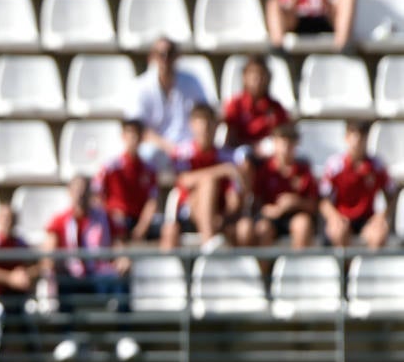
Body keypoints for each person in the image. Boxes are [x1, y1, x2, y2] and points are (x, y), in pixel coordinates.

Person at [41, 176, 136, 362]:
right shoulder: (60, 220)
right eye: (76, 190)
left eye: (84, 190)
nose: (80, 195)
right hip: (74, 278)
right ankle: (68, 338)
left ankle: (124, 336)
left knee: (121, 278)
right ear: (69, 192)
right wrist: (51, 261)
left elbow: (118, 245)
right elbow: (48, 252)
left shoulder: (104, 217)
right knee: (62, 281)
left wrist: (123, 258)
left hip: (99, 275)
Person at [160, 104, 242, 252]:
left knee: (243, 229)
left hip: (219, 214)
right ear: (192, 126)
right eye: (200, 126)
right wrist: (220, 171)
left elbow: (233, 197)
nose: (205, 131)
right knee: (208, 182)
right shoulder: (183, 153)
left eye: (209, 126)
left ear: (216, 126)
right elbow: (183, 180)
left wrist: (227, 211)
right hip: (188, 210)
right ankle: (208, 240)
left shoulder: (227, 156)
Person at [124, 37, 211, 172]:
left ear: (177, 56)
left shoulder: (192, 82)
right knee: (147, 154)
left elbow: (205, 113)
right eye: (160, 54)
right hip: (156, 148)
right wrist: (168, 147)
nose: (165, 58)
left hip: (188, 146)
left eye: (169, 53)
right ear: (152, 57)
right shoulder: (141, 87)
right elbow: (138, 128)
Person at [236, 123, 319, 249]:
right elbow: (256, 201)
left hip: (294, 215)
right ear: (274, 143)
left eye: (290, 143)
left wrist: (296, 202)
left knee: (303, 224)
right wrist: (270, 209)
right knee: (263, 230)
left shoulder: (303, 170)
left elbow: (314, 204)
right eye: (282, 142)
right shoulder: (265, 170)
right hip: (270, 217)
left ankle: (297, 266)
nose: (285, 147)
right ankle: (263, 268)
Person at [0, 203, 38, 362]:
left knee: (28, 316)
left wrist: (26, 274)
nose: (7, 222)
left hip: (16, 297)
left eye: (11, 218)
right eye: (4, 218)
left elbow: (38, 265)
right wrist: (10, 278)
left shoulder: (21, 244)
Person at [320, 120, 395, 249]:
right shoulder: (335, 165)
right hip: (342, 216)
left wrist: (381, 216)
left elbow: (391, 195)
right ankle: (343, 268)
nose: (358, 142)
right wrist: (334, 217)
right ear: (346, 138)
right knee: (338, 232)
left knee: (378, 235)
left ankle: (372, 268)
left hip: (367, 219)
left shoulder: (377, 165)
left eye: (362, 137)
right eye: (354, 136)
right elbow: (323, 201)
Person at [93, 120, 160, 243]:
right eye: (130, 134)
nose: (134, 138)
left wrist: (142, 226)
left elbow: (152, 201)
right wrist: (108, 212)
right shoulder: (111, 167)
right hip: (116, 218)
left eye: (137, 134)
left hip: (139, 218)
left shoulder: (149, 169)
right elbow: (96, 194)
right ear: (123, 136)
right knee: (118, 224)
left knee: (168, 228)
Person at [222, 55, 290, 157]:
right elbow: (230, 141)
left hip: (268, 160)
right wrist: (253, 148)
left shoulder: (276, 109)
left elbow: (283, 139)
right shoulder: (235, 105)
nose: (257, 79)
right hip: (242, 159)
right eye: (253, 74)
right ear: (244, 77)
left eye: (261, 74)